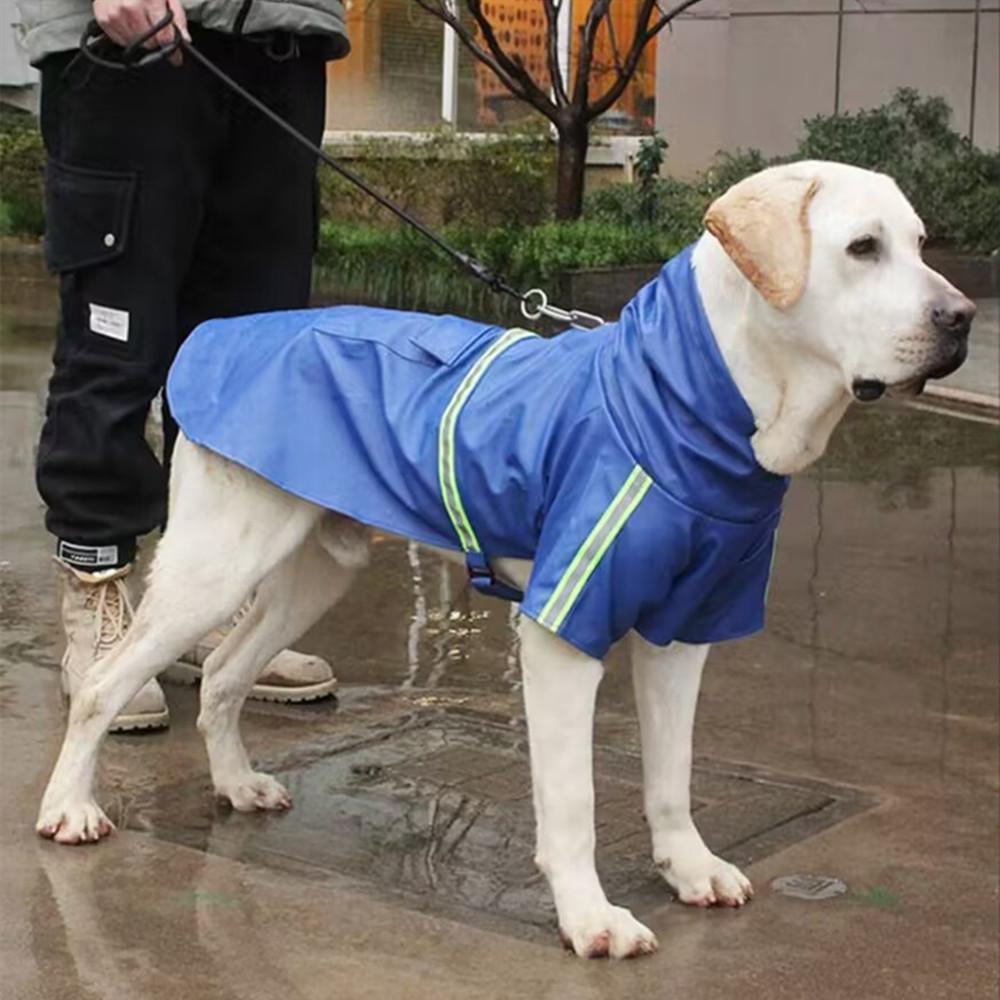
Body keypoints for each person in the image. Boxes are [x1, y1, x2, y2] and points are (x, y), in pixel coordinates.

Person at [13, 0, 350, 730]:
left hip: (280, 44)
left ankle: (200, 604)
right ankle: (95, 586)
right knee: (114, 344)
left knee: (245, 362)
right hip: (128, 42)